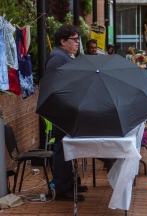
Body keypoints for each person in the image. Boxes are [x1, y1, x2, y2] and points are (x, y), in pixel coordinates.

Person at [45, 25, 88, 201]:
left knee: (68, 148)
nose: (78, 43)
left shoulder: (65, 56)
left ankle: (69, 183)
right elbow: (55, 86)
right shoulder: (57, 58)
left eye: (78, 39)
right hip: (62, 110)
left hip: (68, 109)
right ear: (63, 41)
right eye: (74, 39)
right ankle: (62, 188)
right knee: (62, 149)